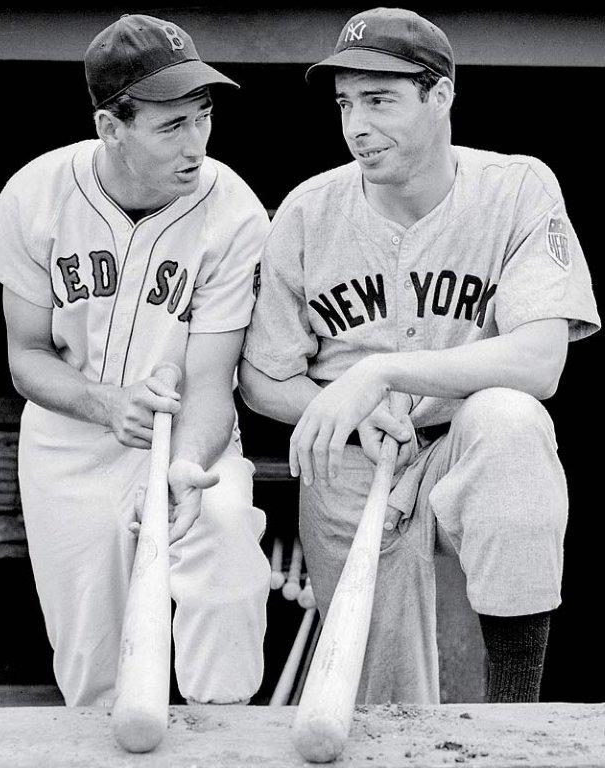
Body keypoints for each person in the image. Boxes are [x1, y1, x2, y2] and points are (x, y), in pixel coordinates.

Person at [240, 7, 600, 704]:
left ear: (440, 97)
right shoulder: (307, 212)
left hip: (458, 444)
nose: (355, 126)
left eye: (379, 100)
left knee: (510, 421)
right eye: (346, 104)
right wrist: (338, 408)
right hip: (354, 460)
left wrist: (379, 372)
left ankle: (512, 719)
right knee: (383, 703)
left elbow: (539, 361)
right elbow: (260, 375)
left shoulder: (516, 187)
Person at [0, 14, 271, 707]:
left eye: (204, 117)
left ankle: (221, 738)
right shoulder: (38, 192)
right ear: (111, 126)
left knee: (224, 551)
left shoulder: (234, 211)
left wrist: (187, 472)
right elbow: (27, 357)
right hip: (70, 446)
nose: (196, 143)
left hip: (189, 436)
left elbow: (209, 383)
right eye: (171, 126)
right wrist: (104, 401)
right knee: (96, 676)